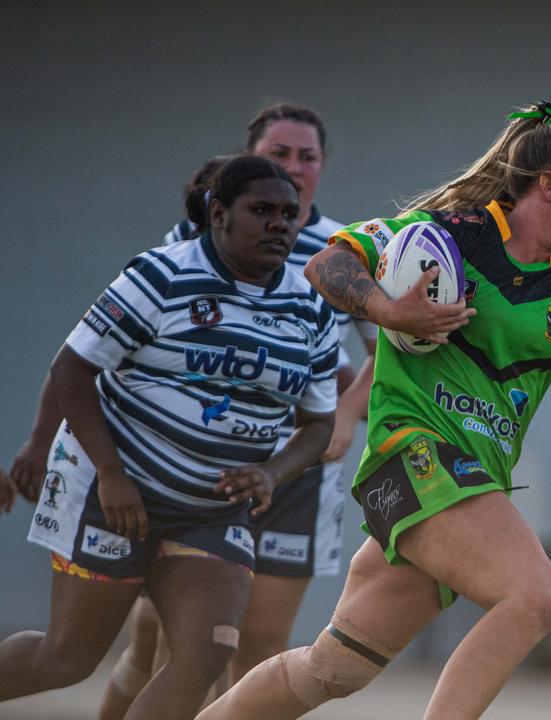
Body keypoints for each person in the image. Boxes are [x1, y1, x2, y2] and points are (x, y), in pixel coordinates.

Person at [197, 101, 551, 720]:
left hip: (468, 487)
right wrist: (388, 310)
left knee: (331, 669)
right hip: (410, 456)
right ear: (548, 187)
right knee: (535, 597)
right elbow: (326, 263)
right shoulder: (446, 233)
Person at [0, 155, 337, 720]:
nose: (280, 223)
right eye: (262, 211)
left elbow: (318, 423)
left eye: (289, 213)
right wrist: (111, 474)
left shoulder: (310, 306)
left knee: (208, 653)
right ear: (219, 213)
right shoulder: (162, 275)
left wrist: (271, 473)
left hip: (212, 510)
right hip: (114, 494)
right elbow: (72, 369)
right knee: (68, 660)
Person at [97, 104, 374, 719]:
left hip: (295, 469)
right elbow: (108, 346)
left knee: (258, 642)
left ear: (323, 168)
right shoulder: (197, 241)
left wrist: (347, 413)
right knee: (161, 645)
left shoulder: (343, 251)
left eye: (308, 156)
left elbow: (386, 355)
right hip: (199, 469)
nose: (294, 168)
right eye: (279, 154)